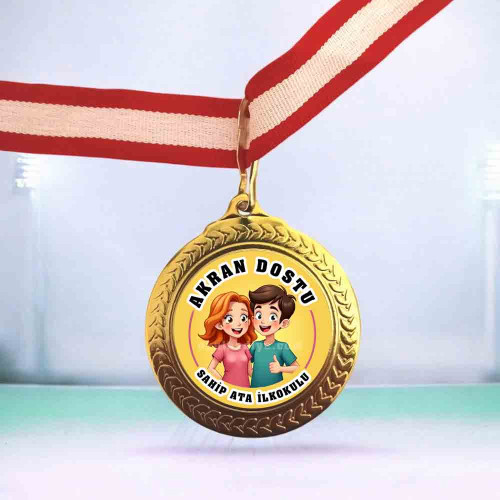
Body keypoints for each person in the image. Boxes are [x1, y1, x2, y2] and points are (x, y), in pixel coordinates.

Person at [199, 292, 257, 388]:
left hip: (246, 390)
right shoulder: (222, 348)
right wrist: (223, 383)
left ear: (249, 322)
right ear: (219, 324)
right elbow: (211, 368)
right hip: (228, 391)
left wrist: (264, 376)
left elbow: (250, 371)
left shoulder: (245, 348)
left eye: (243, 318)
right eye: (229, 318)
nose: (238, 323)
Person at [248, 285, 299, 388]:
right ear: (253, 319)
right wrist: (251, 373)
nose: (263, 321)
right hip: (255, 390)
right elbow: (246, 361)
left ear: (283, 323)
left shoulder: (282, 347)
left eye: (272, 316)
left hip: (275, 392)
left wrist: (280, 369)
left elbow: (296, 367)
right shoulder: (256, 346)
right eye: (259, 315)